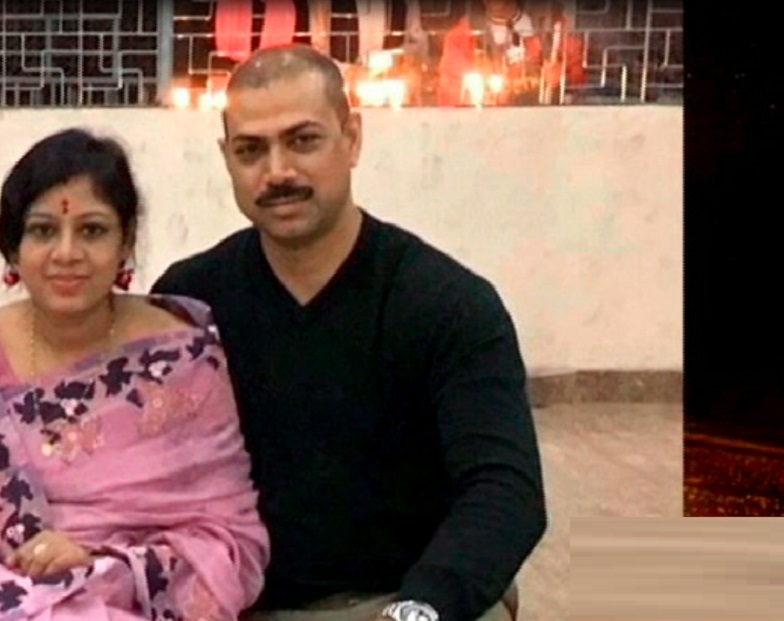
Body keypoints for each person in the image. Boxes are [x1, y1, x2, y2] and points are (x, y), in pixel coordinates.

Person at [150, 45, 546, 621]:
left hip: (400, 598)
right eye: (251, 150)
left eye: (303, 140)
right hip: (233, 603)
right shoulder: (190, 304)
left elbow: (504, 490)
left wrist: (420, 608)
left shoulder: (447, 304)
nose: (278, 172)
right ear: (226, 158)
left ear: (352, 138)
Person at [0, 128, 269, 621]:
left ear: (125, 243)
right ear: (12, 247)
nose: (66, 254)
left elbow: (228, 538)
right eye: (43, 231)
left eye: (92, 231)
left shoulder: (182, 357)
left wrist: (100, 563)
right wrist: (20, 569)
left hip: (124, 598)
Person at [437, 0, 585, 106]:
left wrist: (563, 78)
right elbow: (449, 97)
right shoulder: (461, 38)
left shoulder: (554, 27)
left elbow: (582, 81)